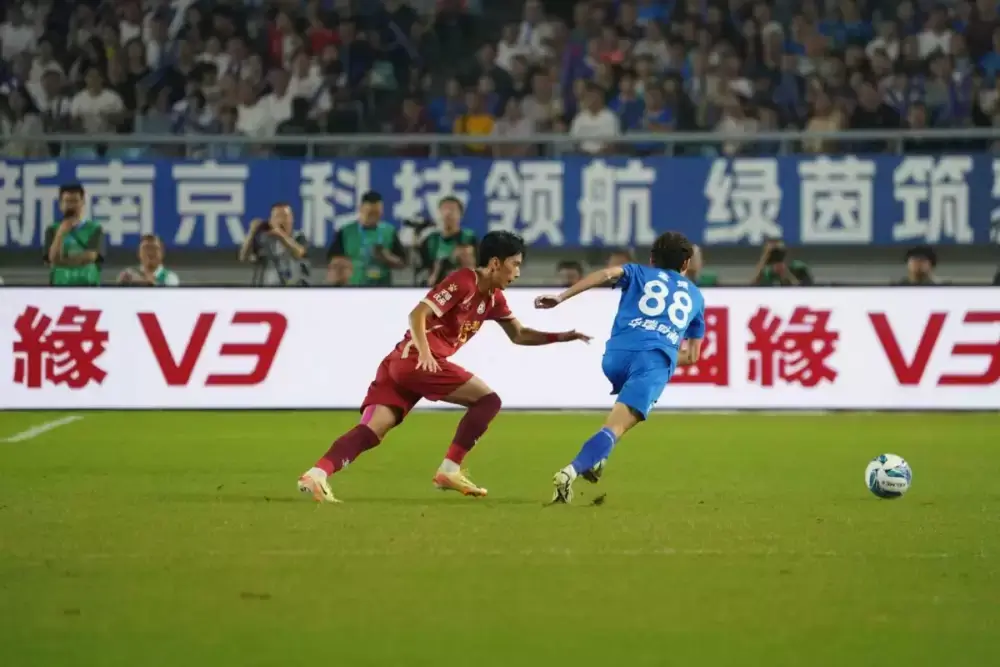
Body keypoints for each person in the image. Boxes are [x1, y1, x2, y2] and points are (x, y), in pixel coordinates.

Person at [297, 231, 592, 503]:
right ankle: (450, 469)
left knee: (373, 430)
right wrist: (426, 353)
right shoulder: (463, 281)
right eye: (514, 264)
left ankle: (317, 474)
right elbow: (417, 314)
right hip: (417, 360)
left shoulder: (493, 299)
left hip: (401, 363)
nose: (517, 272)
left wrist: (561, 337)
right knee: (488, 401)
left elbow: (519, 334)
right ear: (495, 263)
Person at [534, 231, 706, 503]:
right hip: (652, 361)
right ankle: (570, 472)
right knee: (615, 428)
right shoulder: (695, 296)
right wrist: (664, 350)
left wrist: (561, 297)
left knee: (617, 425)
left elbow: (605, 274)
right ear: (686, 264)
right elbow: (692, 356)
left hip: (615, 356)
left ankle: (598, 458)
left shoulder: (638, 272)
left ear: (652, 259)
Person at [326, 191, 406, 286]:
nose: (374, 217)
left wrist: (386, 257)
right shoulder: (346, 232)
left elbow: (403, 263)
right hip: (354, 286)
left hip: (382, 288)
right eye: (370, 213)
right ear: (361, 209)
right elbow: (334, 261)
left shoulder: (389, 231)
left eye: (377, 213)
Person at [44, 184, 103, 286]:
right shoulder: (52, 229)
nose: (71, 206)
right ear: (60, 205)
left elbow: (90, 257)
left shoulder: (95, 229)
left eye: (75, 201)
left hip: (88, 286)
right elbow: (51, 259)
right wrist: (60, 233)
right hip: (59, 287)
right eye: (67, 201)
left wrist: (61, 261)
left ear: (83, 202)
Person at [239, 202, 310, 286]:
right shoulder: (265, 240)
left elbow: (299, 253)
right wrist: (252, 232)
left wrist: (280, 234)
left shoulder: (300, 237)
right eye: (277, 217)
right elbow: (243, 257)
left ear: (292, 219)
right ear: (271, 220)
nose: (281, 220)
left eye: (285, 216)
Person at [419, 196, 477, 286]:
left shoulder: (469, 238)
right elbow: (423, 269)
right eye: (444, 209)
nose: (447, 213)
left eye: (452, 210)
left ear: (460, 215)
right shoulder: (430, 240)